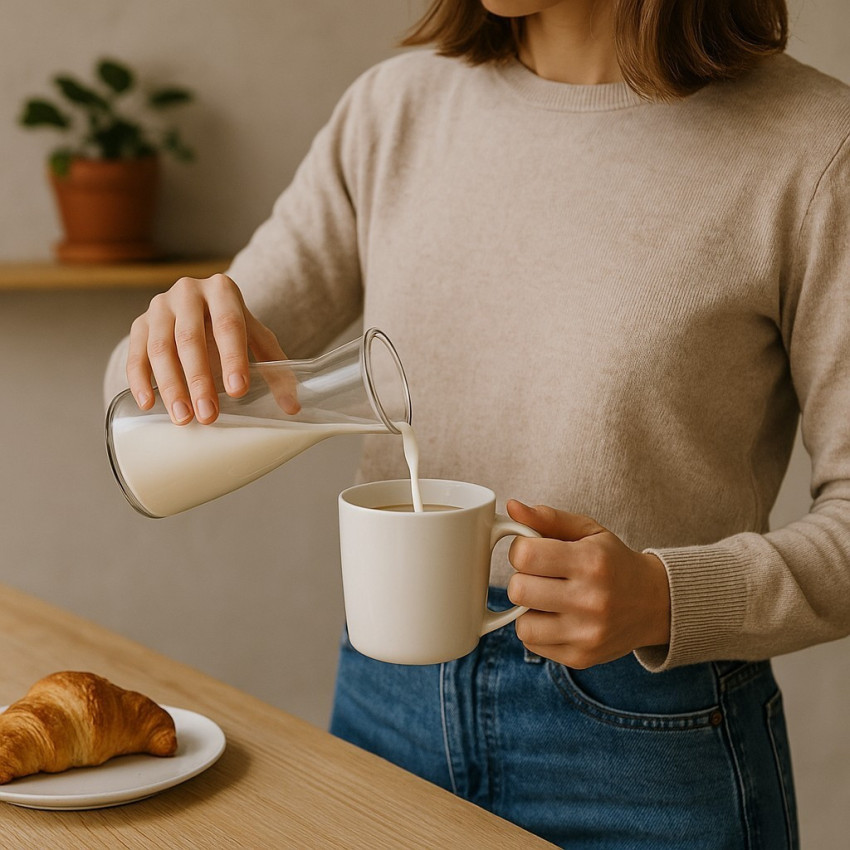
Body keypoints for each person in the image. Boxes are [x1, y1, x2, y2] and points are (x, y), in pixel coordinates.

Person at [105, 1, 850, 846]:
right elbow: (164, 401)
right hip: (386, 714)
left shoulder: (814, 146)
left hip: (649, 749)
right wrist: (176, 338)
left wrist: (666, 599)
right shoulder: (396, 111)